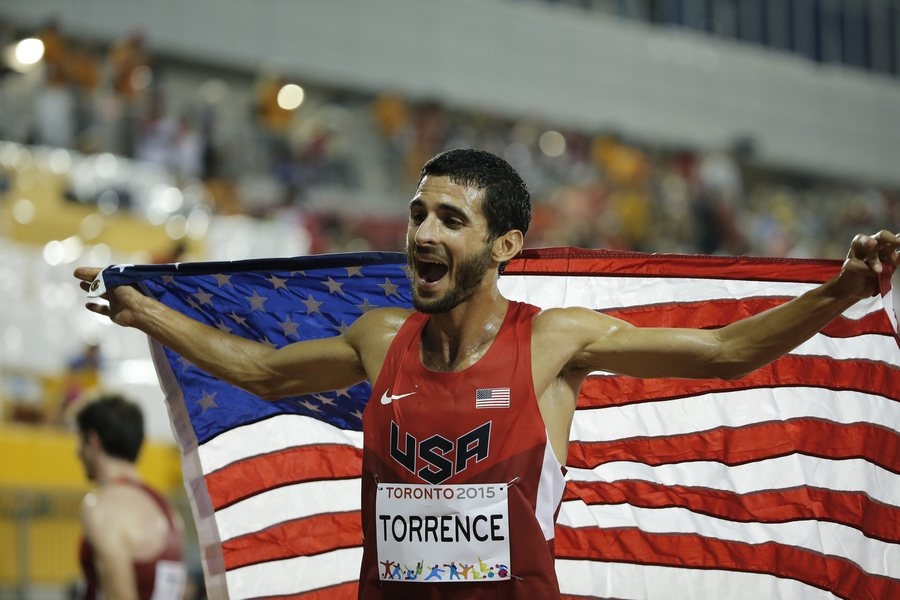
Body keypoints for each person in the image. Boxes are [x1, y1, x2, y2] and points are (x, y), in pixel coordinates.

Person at [75, 149, 899, 599]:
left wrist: (840, 291)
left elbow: (726, 353)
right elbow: (260, 369)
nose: (422, 232)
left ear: (504, 247)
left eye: (450, 219)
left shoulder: (553, 342)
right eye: (417, 213)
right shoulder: (379, 337)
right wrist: (147, 310)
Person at [73, 393, 187, 600]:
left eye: (80, 441)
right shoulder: (169, 512)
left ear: (93, 441)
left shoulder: (102, 507)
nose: (77, 453)